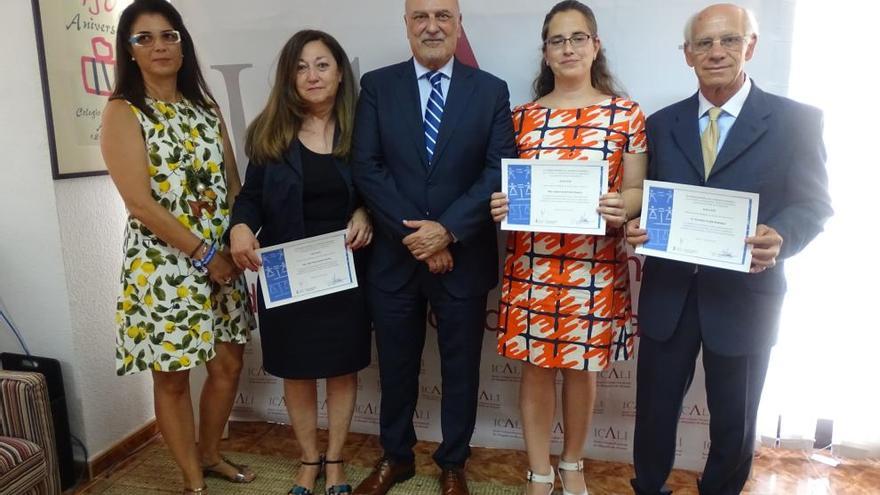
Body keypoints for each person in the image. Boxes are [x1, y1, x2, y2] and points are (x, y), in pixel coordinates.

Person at [626, 4, 832, 494]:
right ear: (687, 55)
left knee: (734, 422)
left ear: (751, 47)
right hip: (669, 295)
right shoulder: (660, 124)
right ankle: (649, 487)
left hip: (746, 297)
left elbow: (814, 206)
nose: (716, 52)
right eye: (704, 43)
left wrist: (781, 237)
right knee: (653, 410)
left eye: (729, 41)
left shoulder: (796, 122)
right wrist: (635, 225)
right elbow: (648, 201)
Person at [350, 0, 516, 493]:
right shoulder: (377, 87)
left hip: (462, 256)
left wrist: (447, 231)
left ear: (458, 25)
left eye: (443, 15)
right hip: (395, 261)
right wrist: (419, 238)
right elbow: (368, 168)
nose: (431, 25)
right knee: (396, 367)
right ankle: (395, 456)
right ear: (405, 25)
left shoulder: (490, 91)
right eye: (420, 16)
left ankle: (452, 463)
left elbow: (498, 168)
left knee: (461, 367)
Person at [488, 2, 647, 494]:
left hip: (594, 268)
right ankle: (538, 471)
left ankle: (573, 463)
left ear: (595, 46)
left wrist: (624, 205)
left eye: (578, 38)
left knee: (581, 371)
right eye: (558, 40)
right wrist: (499, 203)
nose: (569, 48)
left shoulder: (627, 113)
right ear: (545, 53)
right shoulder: (521, 118)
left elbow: (638, 191)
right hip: (532, 263)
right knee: (536, 370)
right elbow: (507, 188)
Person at [100, 1, 256, 493]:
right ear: (128, 51)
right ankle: (192, 478)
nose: (159, 46)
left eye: (168, 35)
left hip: (221, 262)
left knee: (229, 363)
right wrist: (205, 255)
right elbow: (139, 204)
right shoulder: (122, 110)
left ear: (182, 42)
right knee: (171, 377)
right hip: (164, 266)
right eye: (143, 38)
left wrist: (235, 239)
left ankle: (209, 454)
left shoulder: (205, 108)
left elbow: (232, 184)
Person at [228, 30, 372, 495]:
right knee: (297, 370)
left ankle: (335, 463)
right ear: (289, 77)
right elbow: (250, 199)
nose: (312, 76)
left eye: (322, 64)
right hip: (286, 275)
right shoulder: (269, 133)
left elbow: (379, 188)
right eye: (301, 67)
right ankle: (308, 460)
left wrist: (365, 211)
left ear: (339, 72)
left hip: (344, 272)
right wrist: (240, 226)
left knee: (341, 368)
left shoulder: (362, 130)